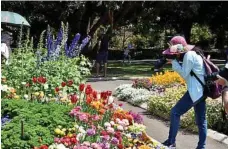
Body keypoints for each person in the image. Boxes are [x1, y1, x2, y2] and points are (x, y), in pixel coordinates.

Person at [162, 36, 207, 149]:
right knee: (201, 121)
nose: (173, 55)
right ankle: (201, 147)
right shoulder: (194, 54)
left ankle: (171, 142)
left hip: (195, 92)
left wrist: (174, 62)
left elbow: (184, 74)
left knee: (175, 112)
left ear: (178, 50)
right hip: (201, 91)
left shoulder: (189, 55)